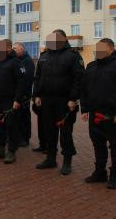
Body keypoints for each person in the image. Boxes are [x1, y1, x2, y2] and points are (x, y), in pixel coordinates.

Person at [81, 38, 116, 189]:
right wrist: (84, 109)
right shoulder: (91, 67)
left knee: (115, 145)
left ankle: (115, 175)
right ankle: (100, 172)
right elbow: (84, 89)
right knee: (98, 144)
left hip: (113, 116)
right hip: (94, 115)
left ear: (111, 49)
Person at [33, 29, 84, 175]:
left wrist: (73, 99)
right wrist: (36, 95)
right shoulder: (44, 56)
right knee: (49, 131)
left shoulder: (72, 56)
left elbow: (78, 79)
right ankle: (50, 159)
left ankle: (67, 161)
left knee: (65, 133)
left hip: (65, 101)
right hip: (46, 100)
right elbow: (37, 78)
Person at [0, 39, 28, 164]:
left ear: (9, 48)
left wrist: (17, 100)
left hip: (10, 101)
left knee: (11, 126)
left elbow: (22, 83)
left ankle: (11, 151)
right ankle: (0, 150)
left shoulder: (16, 62)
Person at [12, 43, 35, 147]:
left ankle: (25, 138)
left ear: (22, 49)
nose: (14, 50)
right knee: (17, 117)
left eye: (15, 48)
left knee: (24, 117)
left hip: (24, 95)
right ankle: (18, 137)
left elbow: (27, 79)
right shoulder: (17, 60)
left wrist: (24, 94)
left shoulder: (27, 61)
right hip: (18, 93)